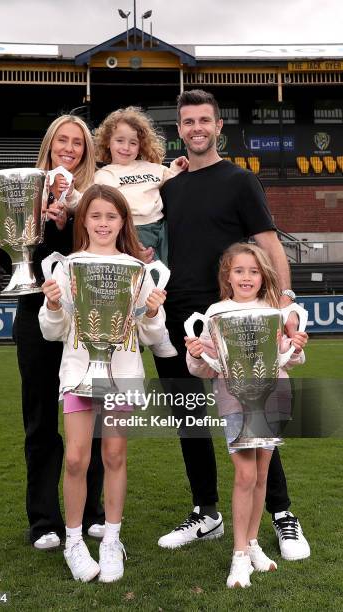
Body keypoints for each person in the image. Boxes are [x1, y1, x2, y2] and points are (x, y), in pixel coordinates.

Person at [155, 89, 311, 561]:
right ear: (179, 130)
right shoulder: (170, 187)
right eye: (188, 121)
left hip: (237, 316)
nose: (196, 128)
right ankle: (207, 513)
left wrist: (284, 302)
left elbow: (269, 244)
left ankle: (282, 516)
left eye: (205, 120)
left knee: (255, 413)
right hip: (181, 317)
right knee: (188, 417)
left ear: (219, 126)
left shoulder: (241, 182)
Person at [0, 115, 106, 549]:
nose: (69, 147)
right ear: (49, 145)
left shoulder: (92, 195)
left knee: (91, 420)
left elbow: (97, 251)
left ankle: (94, 512)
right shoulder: (21, 188)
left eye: (78, 143)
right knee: (41, 422)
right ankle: (44, 520)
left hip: (83, 321)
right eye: (62, 140)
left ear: (86, 151)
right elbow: (14, 263)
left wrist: (66, 222)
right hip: (34, 317)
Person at [39, 184, 167, 582]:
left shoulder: (138, 269)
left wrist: (150, 312)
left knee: (114, 457)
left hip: (122, 376)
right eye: (95, 215)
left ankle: (112, 538)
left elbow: (149, 334)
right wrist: (54, 303)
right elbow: (51, 330)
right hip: (78, 374)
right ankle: (74, 542)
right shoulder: (66, 266)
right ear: (85, 221)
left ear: (123, 222)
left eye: (111, 216)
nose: (103, 223)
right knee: (77, 458)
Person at [186, 242, 308, 588]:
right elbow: (203, 367)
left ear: (263, 275)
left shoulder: (274, 310)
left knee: (261, 472)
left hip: (274, 397)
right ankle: (239, 555)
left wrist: (295, 345)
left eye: (254, 271)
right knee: (244, 474)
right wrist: (195, 354)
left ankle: (253, 543)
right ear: (227, 275)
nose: (247, 277)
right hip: (234, 401)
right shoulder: (215, 312)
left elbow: (289, 357)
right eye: (239, 270)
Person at [94, 106, 188, 358]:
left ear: (141, 144)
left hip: (161, 228)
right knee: (140, 284)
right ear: (108, 142)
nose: (126, 147)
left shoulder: (152, 167)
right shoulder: (105, 175)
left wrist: (177, 166)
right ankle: (152, 336)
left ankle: (157, 330)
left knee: (161, 282)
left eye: (133, 142)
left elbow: (170, 177)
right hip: (133, 231)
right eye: (120, 141)